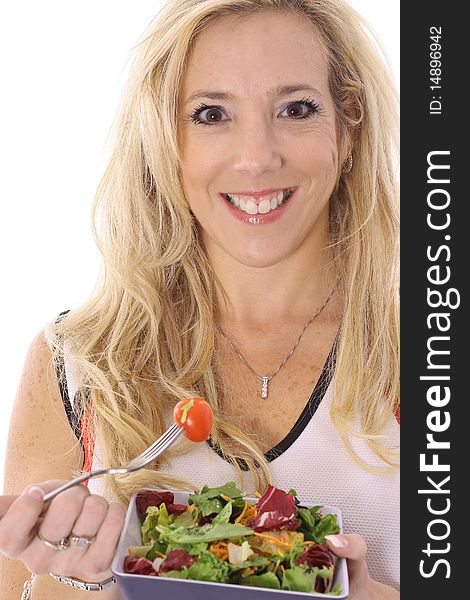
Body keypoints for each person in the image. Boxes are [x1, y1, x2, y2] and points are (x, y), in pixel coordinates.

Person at [0, 0, 399, 598]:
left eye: (296, 109)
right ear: (166, 141)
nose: (258, 157)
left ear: (348, 128)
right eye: (211, 114)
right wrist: (86, 584)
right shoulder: (79, 366)